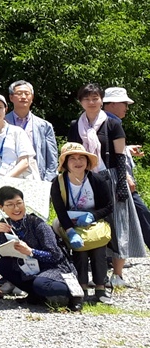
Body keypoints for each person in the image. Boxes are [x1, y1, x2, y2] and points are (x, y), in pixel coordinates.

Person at [69, 83, 147, 289]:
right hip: (85, 178)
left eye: (95, 98)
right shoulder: (76, 124)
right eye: (87, 99)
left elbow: (121, 156)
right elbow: (70, 154)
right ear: (80, 102)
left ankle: (118, 274)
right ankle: (89, 274)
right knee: (87, 222)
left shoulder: (112, 124)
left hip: (111, 177)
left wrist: (122, 182)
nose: (91, 102)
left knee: (118, 222)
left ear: (102, 100)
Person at [0, 185, 81, 311]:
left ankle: (75, 294)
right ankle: (35, 295)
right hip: (29, 266)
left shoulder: (37, 224)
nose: (16, 208)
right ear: (1, 207)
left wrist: (31, 251)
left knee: (41, 284)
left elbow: (56, 255)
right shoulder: (4, 224)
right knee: (2, 265)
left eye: (19, 203)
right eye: (10, 204)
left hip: (54, 267)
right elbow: (3, 254)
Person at [50, 143, 114, 304]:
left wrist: (92, 216)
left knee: (99, 249)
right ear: (65, 162)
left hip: (94, 221)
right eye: (72, 158)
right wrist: (70, 230)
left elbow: (109, 206)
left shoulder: (97, 179)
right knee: (80, 251)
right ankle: (82, 287)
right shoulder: (58, 182)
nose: (78, 162)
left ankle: (101, 287)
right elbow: (60, 211)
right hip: (69, 223)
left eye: (81, 158)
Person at [101, 87, 150, 285]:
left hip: (119, 178)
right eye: (124, 104)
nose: (127, 108)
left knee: (135, 215)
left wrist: (128, 150)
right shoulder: (107, 122)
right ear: (112, 104)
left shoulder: (111, 121)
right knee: (136, 214)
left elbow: (115, 150)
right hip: (118, 179)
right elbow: (107, 154)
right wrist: (125, 176)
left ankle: (112, 258)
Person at [6, 80, 59, 182]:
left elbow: (52, 158)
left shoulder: (44, 126)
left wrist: (47, 181)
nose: (23, 96)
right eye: (19, 93)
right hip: (9, 176)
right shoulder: (3, 122)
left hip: (37, 177)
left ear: (32, 98)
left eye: (27, 93)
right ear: (11, 97)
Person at [0, 93, 38, 179]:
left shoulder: (17, 131)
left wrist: (5, 179)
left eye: (0, 107)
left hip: (17, 181)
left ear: (6, 109)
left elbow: (25, 162)